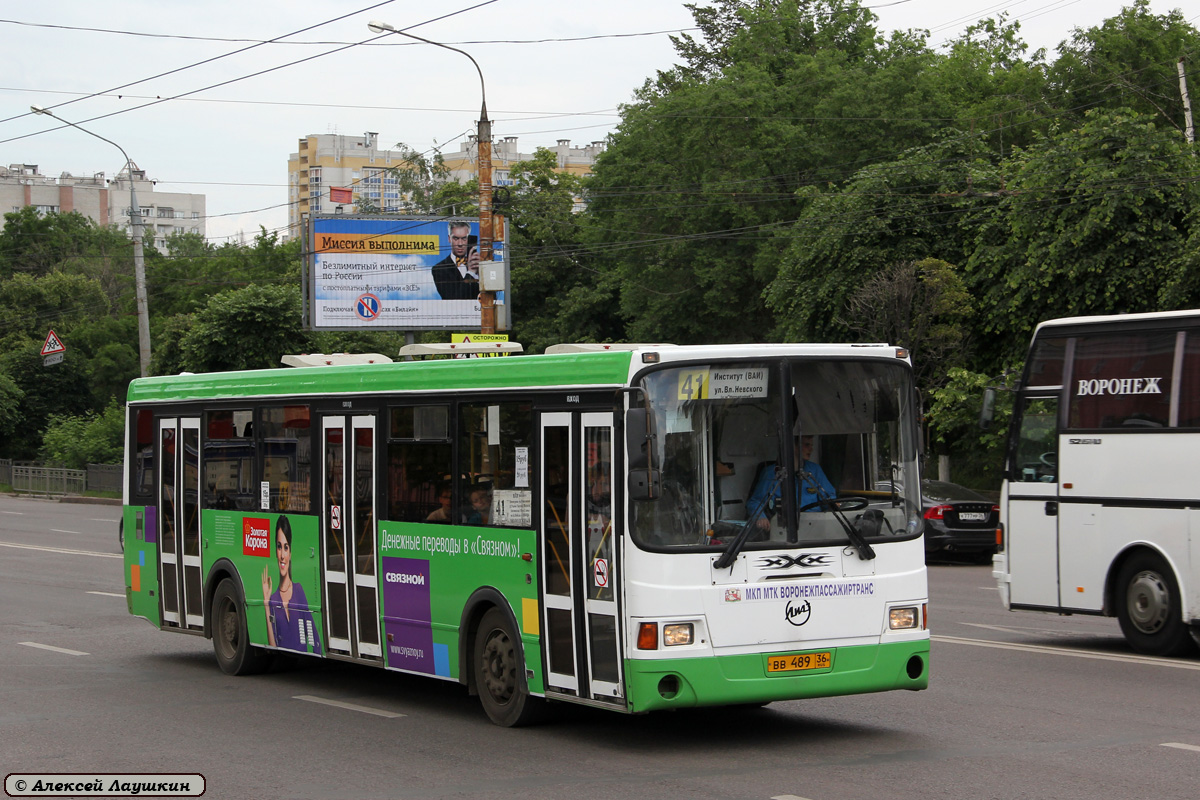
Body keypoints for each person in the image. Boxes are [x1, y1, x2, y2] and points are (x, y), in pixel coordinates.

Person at [746, 434, 837, 530]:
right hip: (785, 528)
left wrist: (833, 506)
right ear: (793, 446)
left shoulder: (814, 470)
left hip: (815, 525)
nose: (811, 449)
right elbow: (755, 502)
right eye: (807, 445)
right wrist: (761, 517)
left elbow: (829, 497)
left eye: (811, 445)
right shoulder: (772, 473)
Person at [262, 515, 322, 655]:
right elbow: (273, 646)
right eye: (279, 547)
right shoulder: (272, 598)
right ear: (275, 552)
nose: (282, 555)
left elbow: (314, 635)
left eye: (286, 547)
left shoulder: (298, 590)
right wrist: (266, 604)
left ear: (290, 552)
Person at [431, 221, 480, 300]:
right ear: (449, 239)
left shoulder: (479, 265)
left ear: (469, 239)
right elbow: (452, 299)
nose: (460, 244)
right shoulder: (439, 269)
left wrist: (480, 273)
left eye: (464, 238)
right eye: (456, 238)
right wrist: (471, 273)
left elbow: (492, 297)